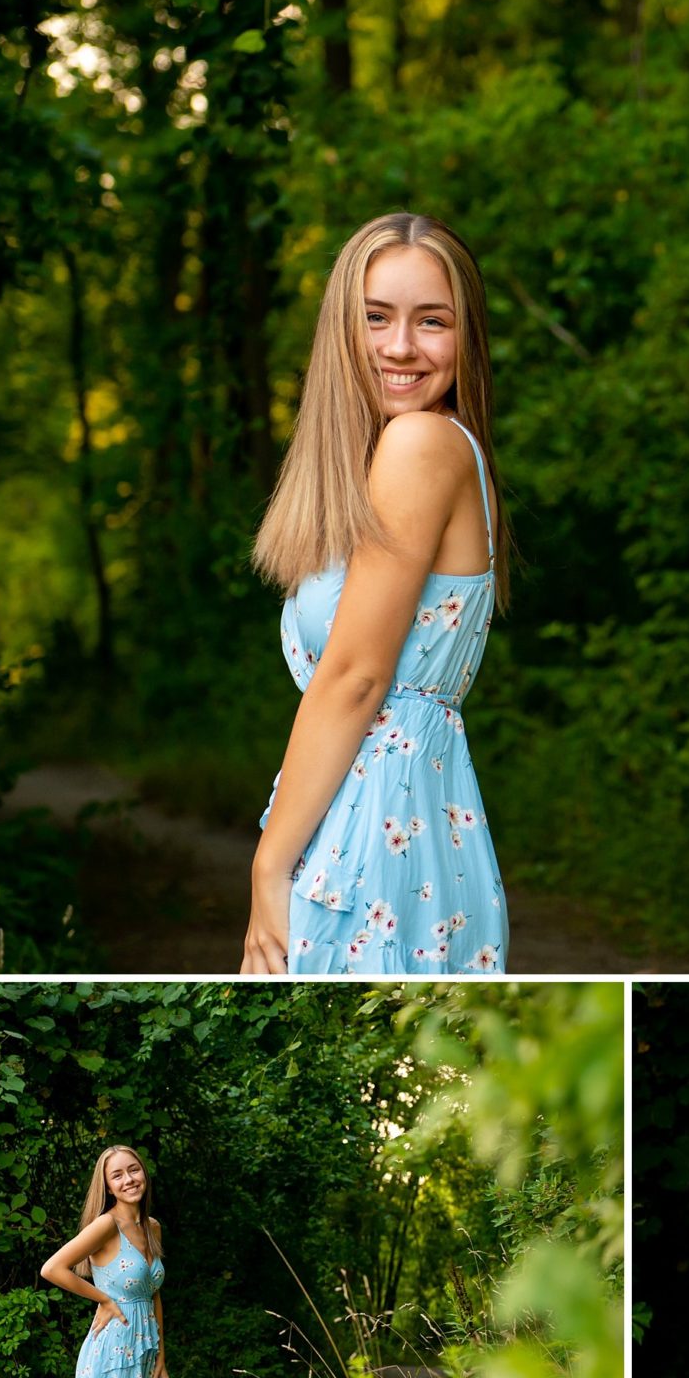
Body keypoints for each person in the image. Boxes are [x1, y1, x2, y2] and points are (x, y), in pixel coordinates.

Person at [243, 210, 508, 977]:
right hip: (374, 823)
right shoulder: (378, 466)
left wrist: (267, 865)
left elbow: (357, 679)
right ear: (342, 330)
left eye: (433, 321)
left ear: (467, 339)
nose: (400, 346)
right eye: (377, 318)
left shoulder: (423, 443)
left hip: (379, 835)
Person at [39, 1146, 188, 1378]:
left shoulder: (152, 1227)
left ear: (144, 1174)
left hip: (146, 1351)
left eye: (133, 1170)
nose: (128, 1180)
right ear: (107, 1186)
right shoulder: (106, 1225)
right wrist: (103, 1299)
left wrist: (161, 1353)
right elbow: (52, 1268)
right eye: (117, 1175)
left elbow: (153, 1294)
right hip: (113, 1352)